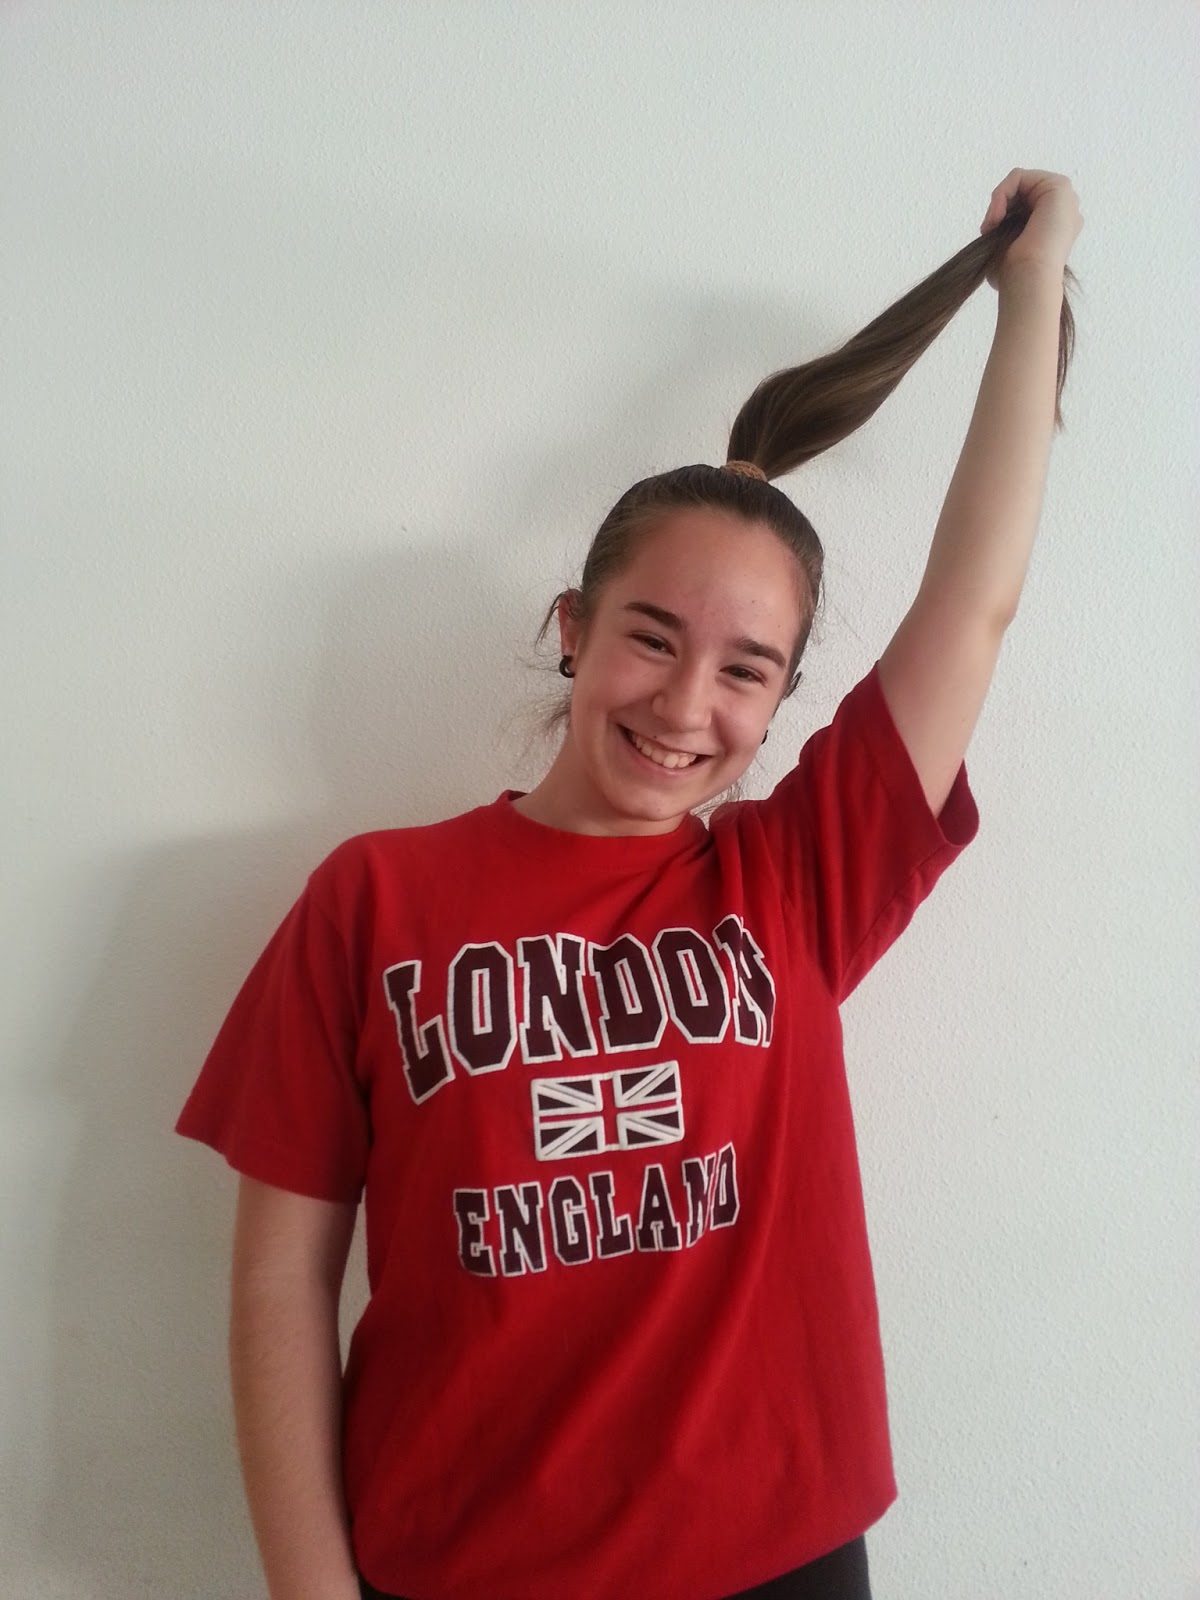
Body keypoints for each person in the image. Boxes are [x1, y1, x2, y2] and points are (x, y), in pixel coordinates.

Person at [175, 169, 1083, 1600]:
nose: (684, 704)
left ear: (781, 702)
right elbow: (278, 1279)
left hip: (776, 1556)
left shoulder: (796, 878)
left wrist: (1032, 290)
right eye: (652, 638)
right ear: (573, 629)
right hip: (464, 1564)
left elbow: (974, 605)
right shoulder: (372, 900)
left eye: (746, 670)